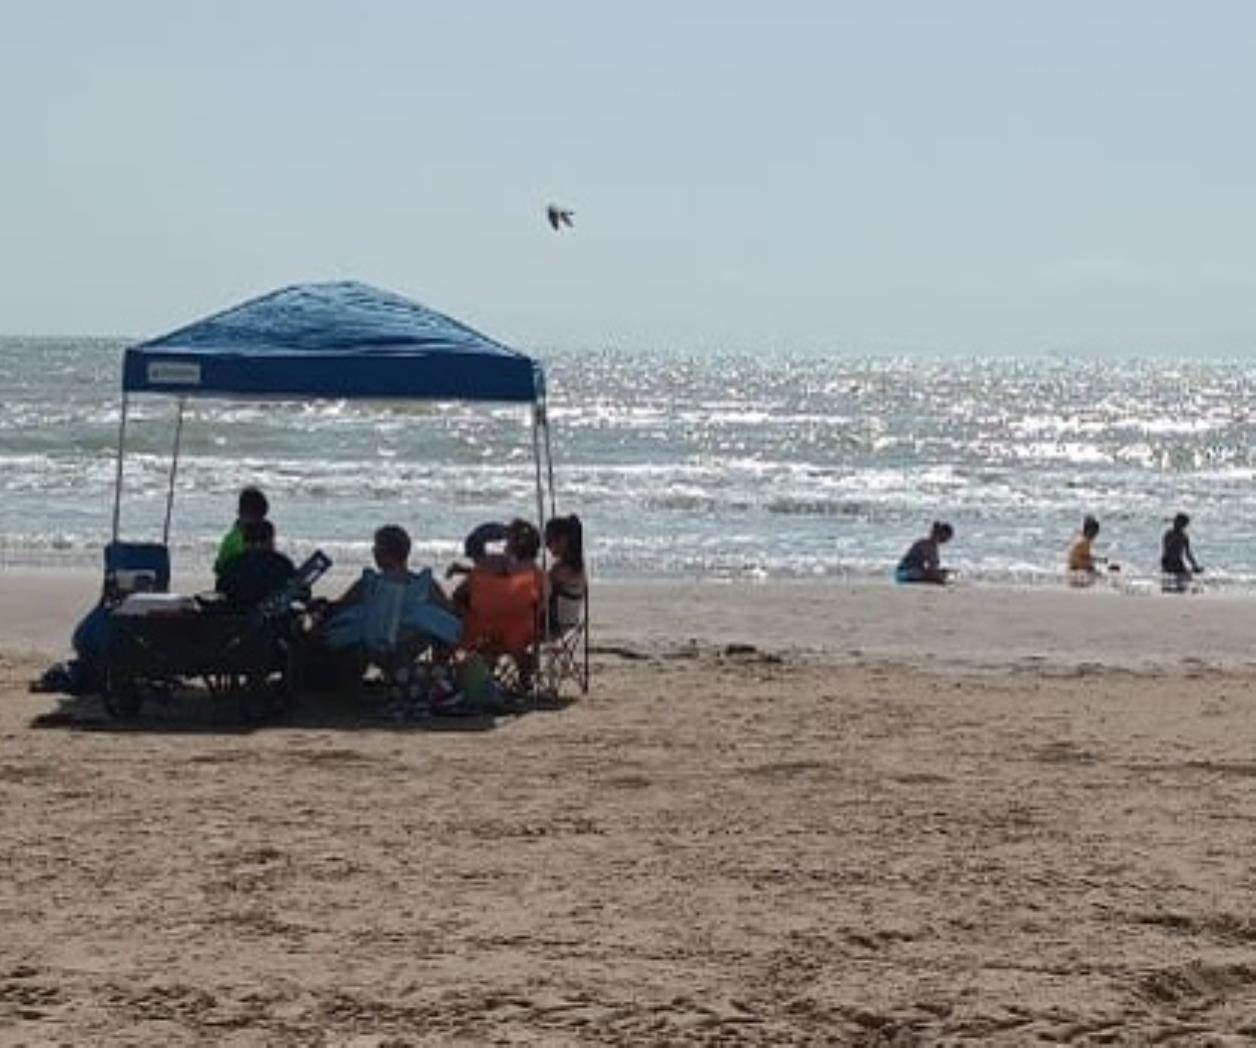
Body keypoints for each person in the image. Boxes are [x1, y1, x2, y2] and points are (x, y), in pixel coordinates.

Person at [215, 520, 296, 610]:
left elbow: (220, 588)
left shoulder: (233, 564)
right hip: (276, 618)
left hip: (239, 617)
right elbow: (302, 593)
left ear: (245, 541)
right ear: (269, 540)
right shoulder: (283, 564)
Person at [214, 486, 269, 578]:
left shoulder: (265, 531)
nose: (258, 521)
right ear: (240, 512)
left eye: (260, 517)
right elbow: (219, 568)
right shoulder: (232, 539)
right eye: (254, 516)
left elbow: (218, 567)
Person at [544, 514, 586, 631]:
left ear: (563, 540)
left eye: (549, 540)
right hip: (570, 621)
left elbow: (541, 588)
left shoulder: (561, 570)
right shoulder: (578, 566)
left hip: (554, 625)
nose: (547, 546)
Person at [1161, 512, 1203, 592]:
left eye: (1183, 524)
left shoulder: (1183, 536)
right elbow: (1166, 549)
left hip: (1176, 562)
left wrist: (1194, 565)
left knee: (1187, 579)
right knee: (1183, 578)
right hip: (1168, 561)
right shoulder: (1169, 534)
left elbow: (1188, 554)